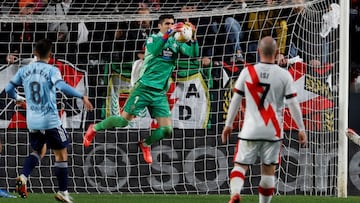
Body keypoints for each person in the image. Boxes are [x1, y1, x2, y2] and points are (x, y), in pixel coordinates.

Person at [83, 14, 199, 164]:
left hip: (159, 93)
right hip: (144, 88)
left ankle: (145, 144)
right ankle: (94, 128)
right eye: (167, 24)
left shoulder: (176, 42)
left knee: (166, 130)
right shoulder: (153, 39)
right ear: (159, 25)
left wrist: (194, 38)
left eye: (172, 24)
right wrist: (169, 33)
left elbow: (194, 55)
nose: (170, 26)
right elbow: (156, 50)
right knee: (123, 121)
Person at [5, 39, 93, 202]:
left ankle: (23, 177)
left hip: (33, 121)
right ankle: (63, 192)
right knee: (61, 154)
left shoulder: (25, 70)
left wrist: (18, 97)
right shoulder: (52, 70)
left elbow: (9, 89)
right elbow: (62, 86)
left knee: (40, 151)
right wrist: (81, 95)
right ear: (50, 55)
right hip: (50, 120)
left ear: (35, 53)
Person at [221, 36, 307, 203]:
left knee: (240, 166)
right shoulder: (284, 75)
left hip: (250, 128)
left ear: (258, 51)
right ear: (276, 53)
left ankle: (236, 193)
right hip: (273, 130)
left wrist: (228, 124)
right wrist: (301, 129)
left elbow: (235, 100)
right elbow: (293, 104)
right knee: (268, 171)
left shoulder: (248, 72)